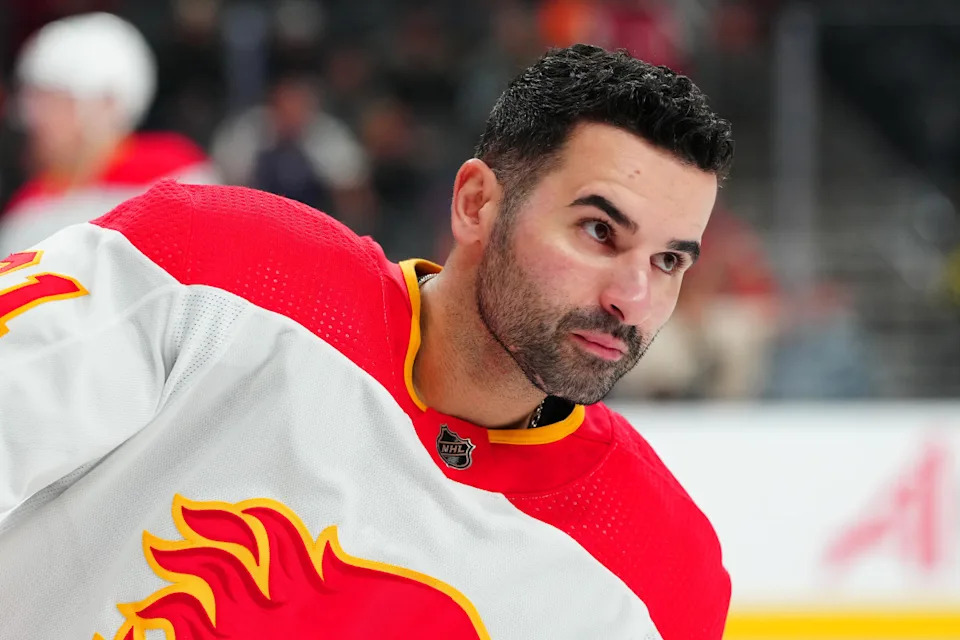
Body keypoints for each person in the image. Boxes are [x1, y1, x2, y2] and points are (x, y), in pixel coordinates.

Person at [0, 45, 733, 639]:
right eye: (599, 232)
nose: (631, 299)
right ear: (478, 204)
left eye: (669, 260)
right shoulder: (212, 270)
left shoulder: (660, 574)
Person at [0, 12, 217, 258]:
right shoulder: (27, 207)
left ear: (107, 104)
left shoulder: (173, 180)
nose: (35, 117)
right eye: (33, 99)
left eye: (55, 100)